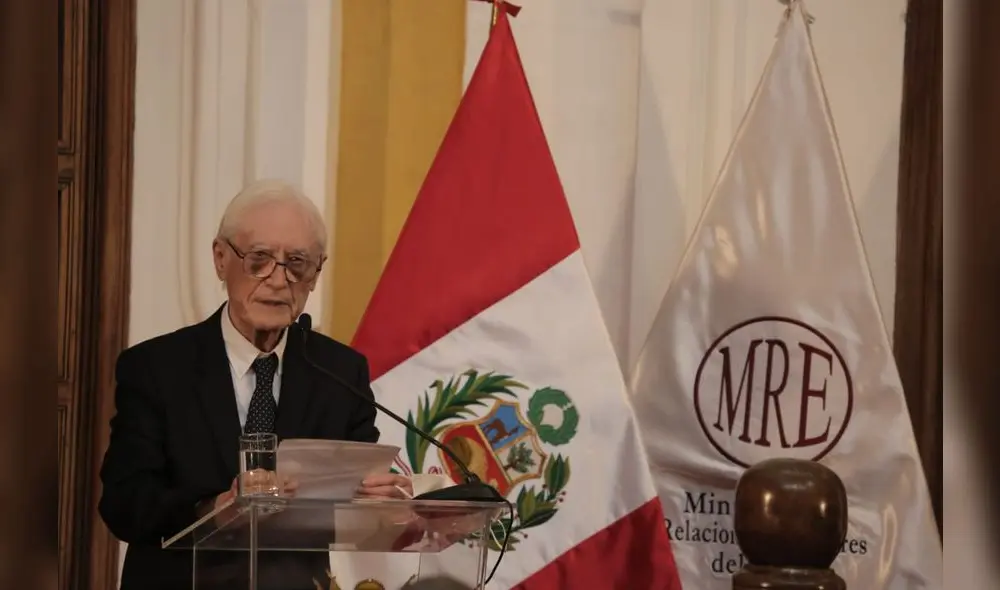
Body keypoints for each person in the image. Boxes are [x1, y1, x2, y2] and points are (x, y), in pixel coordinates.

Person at [99, 180, 419, 590]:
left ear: (316, 273)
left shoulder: (340, 373)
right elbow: (125, 504)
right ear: (220, 259)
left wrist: (380, 505)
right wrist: (216, 510)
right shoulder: (156, 368)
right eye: (260, 259)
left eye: (297, 263)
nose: (278, 279)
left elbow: (355, 501)